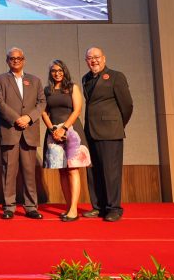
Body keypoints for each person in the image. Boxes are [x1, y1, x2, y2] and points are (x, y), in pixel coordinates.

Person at [0, 47, 47, 220]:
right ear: (7, 61)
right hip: (10, 131)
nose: (15, 60)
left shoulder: (35, 80)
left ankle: (31, 207)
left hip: (29, 132)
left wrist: (29, 118)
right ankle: (9, 206)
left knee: (30, 172)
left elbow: (42, 102)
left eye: (19, 58)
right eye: (12, 58)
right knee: (9, 171)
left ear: (24, 60)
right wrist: (17, 119)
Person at [81, 47, 133, 222]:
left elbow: (127, 105)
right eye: (89, 58)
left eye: (96, 57)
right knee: (93, 172)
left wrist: (117, 124)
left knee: (111, 172)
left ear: (104, 58)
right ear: (86, 61)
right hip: (90, 131)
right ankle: (98, 207)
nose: (93, 60)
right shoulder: (86, 78)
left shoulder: (116, 76)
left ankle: (114, 208)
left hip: (110, 131)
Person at [40, 59, 91, 222]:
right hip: (54, 132)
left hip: (72, 131)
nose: (57, 73)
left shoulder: (72, 87)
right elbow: (43, 112)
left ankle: (74, 210)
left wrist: (64, 128)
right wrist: (52, 129)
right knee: (62, 170)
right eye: (54, 70)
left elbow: (77, 110)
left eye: (60, 70)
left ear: (65, 71)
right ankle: (69, 207)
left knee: (72, 169)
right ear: (50, 73)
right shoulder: (47, 90)